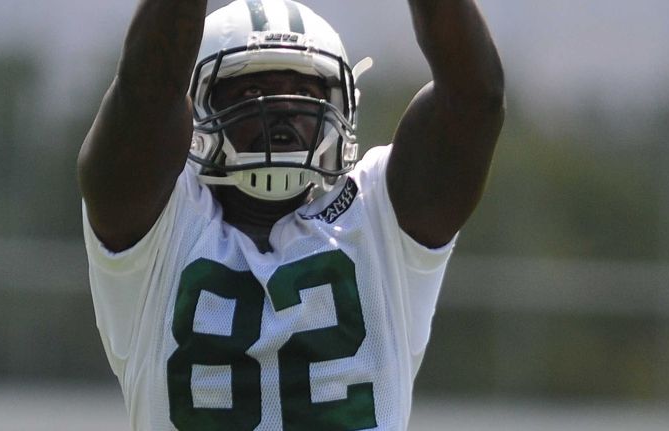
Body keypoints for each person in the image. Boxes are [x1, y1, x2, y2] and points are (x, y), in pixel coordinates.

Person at [78, 0, 504, 429]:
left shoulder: (379, 215)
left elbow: (474, 97)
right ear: (195, 107)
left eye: (305, 93)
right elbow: (146, 88)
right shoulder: (158, 219)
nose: (282, 108)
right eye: (251, 91)